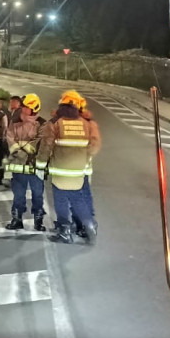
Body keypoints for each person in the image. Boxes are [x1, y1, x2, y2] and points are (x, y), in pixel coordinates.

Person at [36, 90, 100, 244]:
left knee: (61, 200)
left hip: (60, 171)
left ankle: (64, 231)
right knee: (78, 199)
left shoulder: (55, 123)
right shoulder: (85, 123)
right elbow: (91, 147)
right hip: (78, 171)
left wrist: (40, 166)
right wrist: (85, 163)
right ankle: (89, 225)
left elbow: (46, 146)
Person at [4, 94, 47, 231]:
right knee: (18, 194)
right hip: (18, 164)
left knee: (37, 194)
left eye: (27, 107)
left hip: (34, 165)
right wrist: (18, 150)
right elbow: (10, 137)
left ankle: (38, 221)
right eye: (23, 106)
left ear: (34, 109)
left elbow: (41, 141)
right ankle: (17, 219)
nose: (23, 109)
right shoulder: (15, 121)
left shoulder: (42, 123)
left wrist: (24, 148)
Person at [73, 97, 101, 239]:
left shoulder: (88, 124)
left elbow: (94, 145)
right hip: (74, 167)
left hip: (79, 167)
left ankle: (85, 224)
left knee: (79, 195)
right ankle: (85, 224)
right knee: (81, 195)